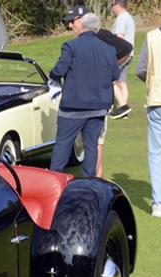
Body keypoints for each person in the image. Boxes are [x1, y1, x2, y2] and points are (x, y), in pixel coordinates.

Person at [49, 9, 119, 177]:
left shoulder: (71, 46)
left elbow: (59, 70)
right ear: (97, 28)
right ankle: (88, 182)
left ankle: (54, 180)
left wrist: (52, 75)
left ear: (83, 26)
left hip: (73, 106)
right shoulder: (109, 49)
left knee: (63, 144)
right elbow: (115, 75)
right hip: (98, 107)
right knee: (91, 145)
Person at [135, 2, 161, 217]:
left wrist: (153, 81)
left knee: (157, 155)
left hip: (158, 99)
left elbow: (140, 69)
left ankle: (158, 203)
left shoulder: (151, 36)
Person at [92, 27, 133, 175]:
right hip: (99, 97)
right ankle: (122, 106)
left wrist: (112, 64)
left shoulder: (101, 34)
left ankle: (123, 105)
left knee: (97, 141)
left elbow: (127, 47)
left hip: (99, 100)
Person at [110, 0, 135, 119]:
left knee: (111, 80)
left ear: (118, 5)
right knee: (122, 82)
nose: (112, 8)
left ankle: (122, 106)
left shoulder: (121, 18)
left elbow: (118, 38)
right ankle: (124, 111)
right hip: (130, 54)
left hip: (121, 55)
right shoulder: (129, 17)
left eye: (113, 5)